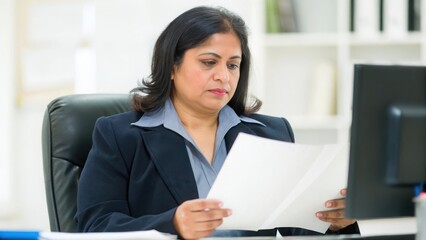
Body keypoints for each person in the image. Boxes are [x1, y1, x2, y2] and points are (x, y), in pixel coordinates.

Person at [76, 6, 360, 239]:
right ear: (171, 67)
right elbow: (94, 226)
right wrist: (171, 224)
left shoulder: (272, 133)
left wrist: (333, 223)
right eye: (209, 62)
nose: (224, 76)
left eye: (233, 64)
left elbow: (294, 228)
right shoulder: (119, 135)